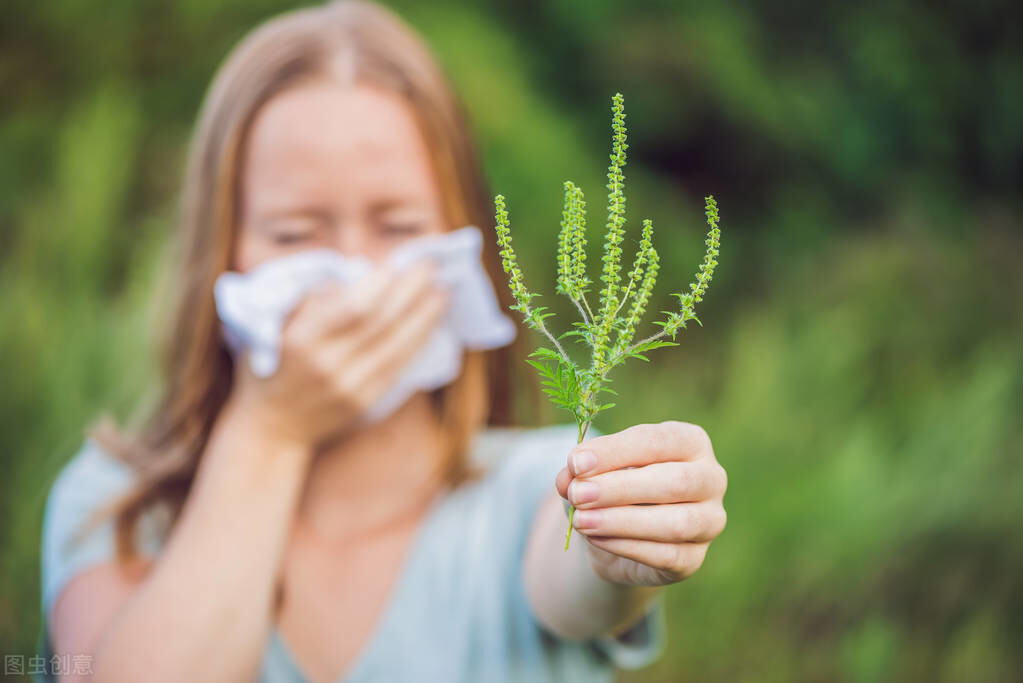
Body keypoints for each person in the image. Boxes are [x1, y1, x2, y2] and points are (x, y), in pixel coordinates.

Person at [37, 2, 728, 681]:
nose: (356, 276)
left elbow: (577, 567)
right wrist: (270, 429)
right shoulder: (115, 505)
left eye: (398, 227)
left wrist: (622, 539)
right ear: (220, 248)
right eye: (294, 234)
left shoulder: (533, 487)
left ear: (462, 237)